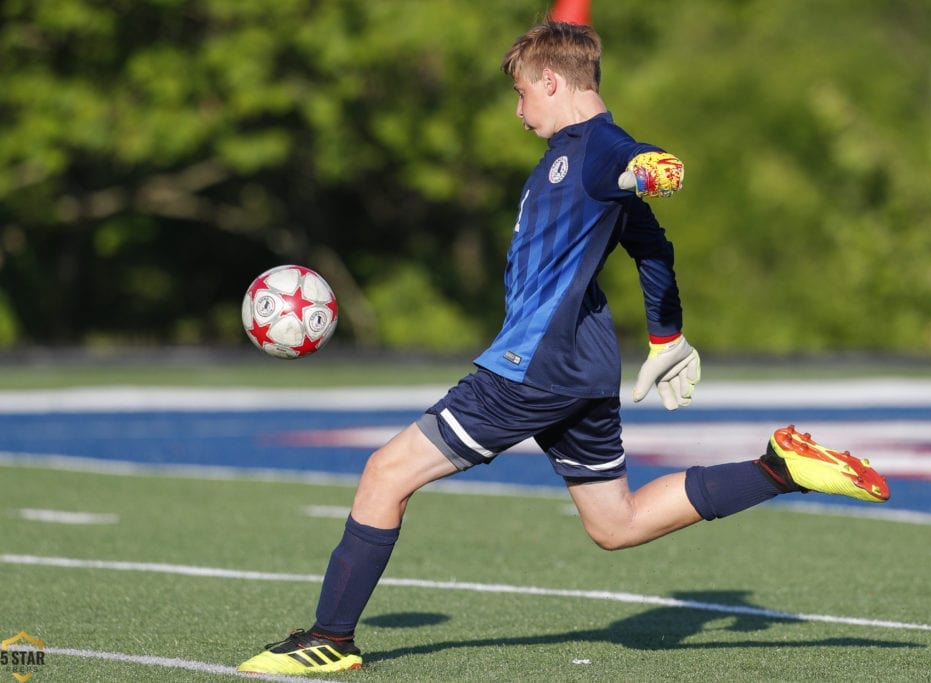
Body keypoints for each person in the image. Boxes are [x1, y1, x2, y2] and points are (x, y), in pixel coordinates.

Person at [237, 20, 889, 675]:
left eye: (522, 94)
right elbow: (652, 246)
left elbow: (632, 158)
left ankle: (331, 638)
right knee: (617, 523)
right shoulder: (585, 160)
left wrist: (650, 164)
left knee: (386, 471)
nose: (519, 112)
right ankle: (778, 468)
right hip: (580, 365)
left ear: (552, 82)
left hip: (532, 367)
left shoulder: (596, 150)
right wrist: (666, 335)